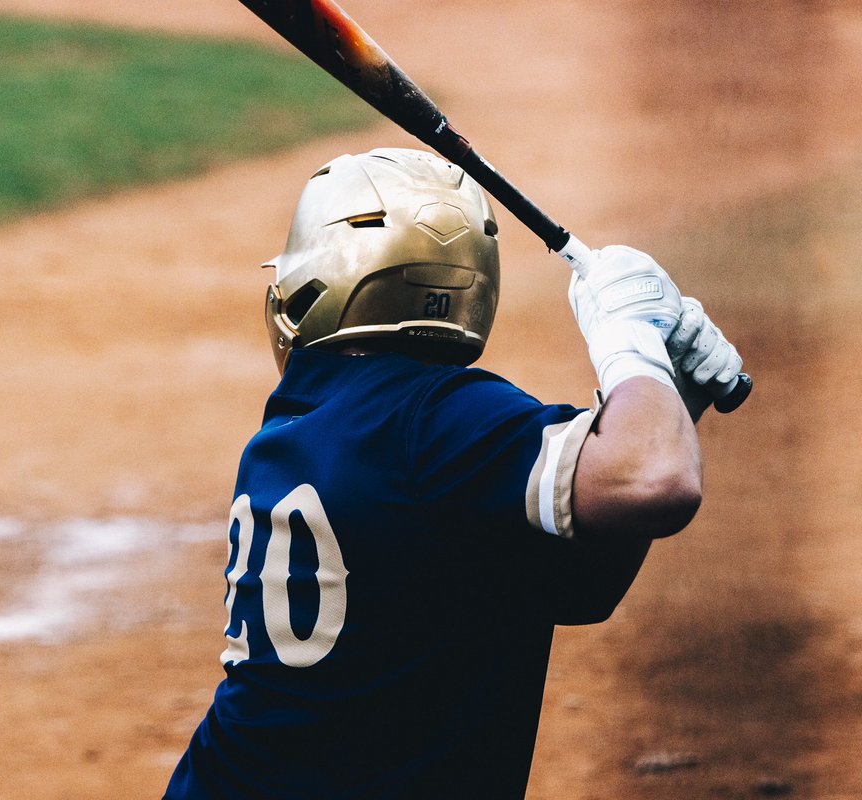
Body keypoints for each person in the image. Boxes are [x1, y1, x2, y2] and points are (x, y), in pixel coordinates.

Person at [164, 148, 744, 798]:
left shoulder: (304, 421)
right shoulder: (437, 422)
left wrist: (674, 396)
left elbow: (577, 586)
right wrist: (629, 341)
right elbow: (653, 481)